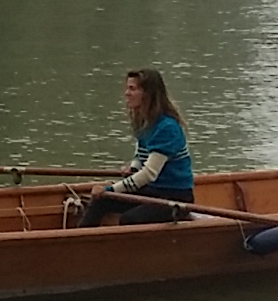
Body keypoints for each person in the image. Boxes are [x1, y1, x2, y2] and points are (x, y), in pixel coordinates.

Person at [78, 67, 195, 226]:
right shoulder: (144, 121)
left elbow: (148, 174)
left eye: (132, 89)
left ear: (147, 94)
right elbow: (140, 155)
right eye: (127, 88)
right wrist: (133, 168)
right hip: (152, 191)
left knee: (130, 219)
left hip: (175, 196)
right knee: (100, 202)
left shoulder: (167, 128)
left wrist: (110, 190)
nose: (126, 93)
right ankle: (80, 244)